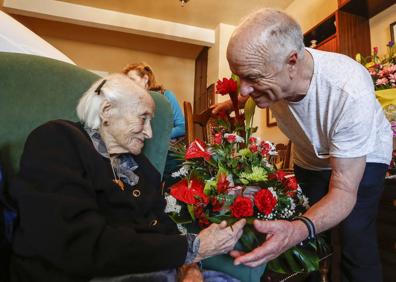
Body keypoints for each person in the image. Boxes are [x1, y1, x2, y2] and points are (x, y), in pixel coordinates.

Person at [212, 8, 393, 282]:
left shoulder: (348, 90)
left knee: (354, 236)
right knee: (308, 241)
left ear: (292, 62)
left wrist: (298, 228)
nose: (244, 88)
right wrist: (232, 102)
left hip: (364, 158)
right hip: (310, 159)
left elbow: (343, 190)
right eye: (239, 77)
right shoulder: (274, 74)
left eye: (252, 77)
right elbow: (252, 88)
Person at [9, 73, 245, 282]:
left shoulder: (141, 168)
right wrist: (195, 248)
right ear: (107, 112)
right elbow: (80, 245)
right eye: (143, 118)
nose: (150, 132)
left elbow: (165, 228)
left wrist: (191, 267)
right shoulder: (58, 140)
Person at [122, 63, 186, 188]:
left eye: (132, 80)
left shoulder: (165, 95)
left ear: (145, 79)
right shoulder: (130, 102)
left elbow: (182, 127)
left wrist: (159, 135)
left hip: (166, 151)